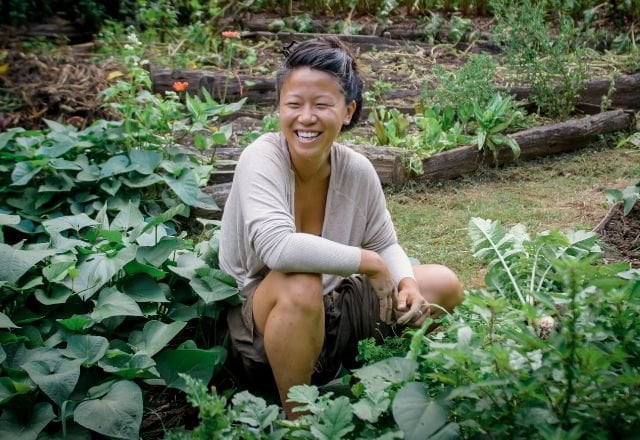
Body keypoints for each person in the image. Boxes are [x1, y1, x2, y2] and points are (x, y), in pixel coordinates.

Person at [219, 36, 463, 419]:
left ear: (348, 111)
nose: (306, 117)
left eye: (322, 105)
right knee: (300, 281)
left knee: (441, 284)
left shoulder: (356, 169)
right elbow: (277, 249)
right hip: (261, 330)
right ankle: (299, 418)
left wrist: (406, 283)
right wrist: (367, 261)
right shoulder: (262, 158)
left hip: (335, 315)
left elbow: (385, 241)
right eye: (294, 104)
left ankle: (374, 378)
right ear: (280, 107)